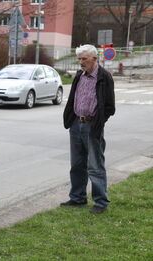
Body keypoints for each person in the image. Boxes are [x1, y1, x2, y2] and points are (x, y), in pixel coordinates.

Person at [61, 44, 115, 214]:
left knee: (95, 165)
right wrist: (71, 119)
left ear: (94, 59)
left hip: (93, 125)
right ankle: (78, 198)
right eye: (79, 59)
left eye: (84, 59)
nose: (81, 62)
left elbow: (109, 107)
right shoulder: (79, 75)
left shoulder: (104, 77)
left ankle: (100, 202)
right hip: (76, 124)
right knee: (77, 164)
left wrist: (99, 122)